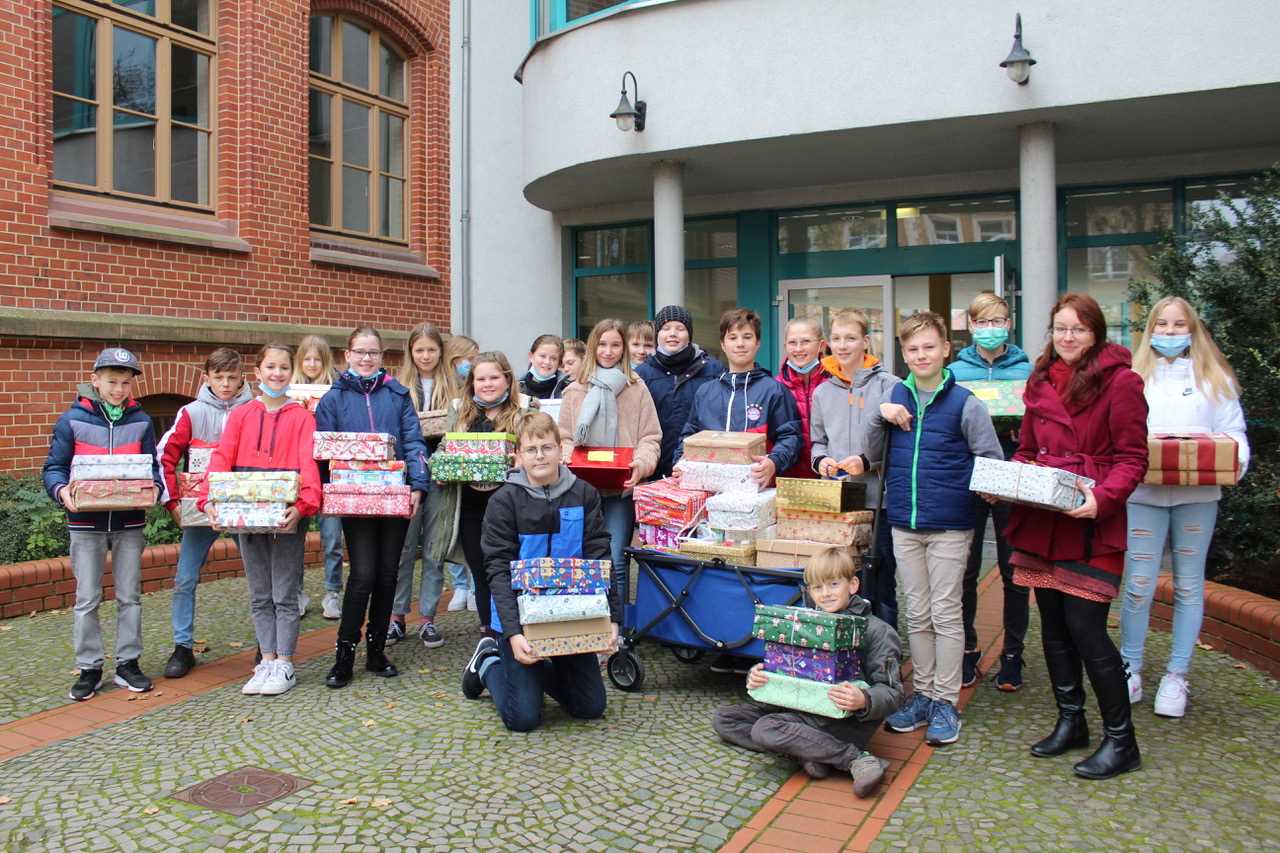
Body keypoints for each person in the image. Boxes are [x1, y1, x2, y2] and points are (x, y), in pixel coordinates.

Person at [1002, 293, 1148, 780]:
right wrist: (1010, 480)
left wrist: (1102, 499)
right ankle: (1072, 722)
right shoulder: (1040, 378)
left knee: (1088, 630)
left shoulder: (1123, 382)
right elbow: (1026, 449)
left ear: (1096, 333)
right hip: (1044, 518)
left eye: (1078, 330)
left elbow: (1133, 458)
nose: (1067, 338)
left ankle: (1121, 740)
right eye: (1060, 328)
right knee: (1055, 629)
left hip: (1091, 522)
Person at [872, 311, 1002, 747]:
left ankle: (945, 700)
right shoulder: (896, 396)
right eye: (912, 349)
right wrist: (881, 414)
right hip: (904, 523)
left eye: (929, 346)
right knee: (917, 612)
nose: (921, 355)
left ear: (946, 348)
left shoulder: (966, 403)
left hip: (949, 524)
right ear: (903, 354)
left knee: (946, 614)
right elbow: (875, 454)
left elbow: (990, 461)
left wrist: (977, 492)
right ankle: (923, 694)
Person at [1119, 296, 1249, 719]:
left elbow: (1235, 435)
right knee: (1138, 583)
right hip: (1143, 496)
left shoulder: (1215, 378)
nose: (1170, 333)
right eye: (1162, 324)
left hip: (1198, 498)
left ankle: (1177, 674)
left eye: (1178, 325)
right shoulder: (1133, 377)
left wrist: (1230, 461)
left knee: (1190, 585)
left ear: (1193, 329)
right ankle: (1129, 666)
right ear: (1149, 329)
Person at [461, 412, 621, 731]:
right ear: (518, 456)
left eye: (547, 447)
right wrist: (514, 633)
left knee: (590, 707)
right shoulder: (503, 501)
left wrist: (612, 620)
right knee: (522, 719)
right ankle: (489, 662)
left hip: (570, 616)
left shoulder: (584, 494)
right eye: (531, 450)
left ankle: (543, 675)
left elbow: (600, 557)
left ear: (561, 449)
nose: (540, 456)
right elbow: (497, 570)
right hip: (520, 619)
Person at [712, 546, 903, 798]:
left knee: (764, 729)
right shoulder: (804, 624)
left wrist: (864, 699)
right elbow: (785, 666)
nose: (825, 594)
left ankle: (856, 759)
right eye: (817, 587)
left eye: (834, 584)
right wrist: (759, 676)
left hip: (842, 720)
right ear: (810, 592)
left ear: (853, 584)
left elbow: (893, 693)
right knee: (725, 719)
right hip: (799, 710)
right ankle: (811, 753)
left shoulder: (877, 631)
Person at [198, 343, 322, 696]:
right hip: (246, 516)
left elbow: (307, 466)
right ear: (258, 372)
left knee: (284, 592)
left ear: (291, 373)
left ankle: (285, 662)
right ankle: (265, 659)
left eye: (284, 368)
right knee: (259, 593)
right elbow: (222, 458)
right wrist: (210, 498)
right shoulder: (241, 415)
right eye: (271, 367)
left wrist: (303, 506)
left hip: (285, 514)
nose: (277, 374)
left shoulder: (301, 417)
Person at [43, 347, 162, 702]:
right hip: (85, 522)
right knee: (87, 598)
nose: (118, 389)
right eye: (111, 382)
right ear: (94, 381)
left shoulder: (141, 421)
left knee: (130, 597)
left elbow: (152, 466)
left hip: (129, 521)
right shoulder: (71, 420)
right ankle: (89, 668)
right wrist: (62, 492)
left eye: (125, 383)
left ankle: (128, 663)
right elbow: (54, 467)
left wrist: (154, 488)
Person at [315, 327, 430, 689]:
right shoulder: (333, 400)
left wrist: (418, 486)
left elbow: (414, 442)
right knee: (363, 574)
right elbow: (324, 451)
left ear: (383, 357)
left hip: (394, 495)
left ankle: (377, 651)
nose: (367, 359)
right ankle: (344, 655)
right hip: (355, 499)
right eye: (360, 352)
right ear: (347, 355)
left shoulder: (397, 395)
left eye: (374, 353)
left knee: (387, 575)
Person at [947, 292, 1034, 691]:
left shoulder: (1026, 369)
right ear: (970, 325)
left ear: (1008, 322)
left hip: (1012, 470)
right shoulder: (955, 371)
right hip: (968, 472)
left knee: (1014, 566)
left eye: (996, 320)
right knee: (964, 567)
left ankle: (1013, 654)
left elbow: (1042, 420)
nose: (989, 328)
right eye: (982, 322)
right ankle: (966, 649)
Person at [156, 347, 253, 678]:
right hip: (200, 508)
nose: (225, 384)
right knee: (185, 577)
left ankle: (266, 645)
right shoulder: (191, 413)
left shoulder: (256, 410)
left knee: (259, 577)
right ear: (206, 378)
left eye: (232, 377)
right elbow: (164, 456)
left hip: (245, 507)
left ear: (243, 377)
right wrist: (172, 504)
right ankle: (182, 647)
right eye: (218, 377)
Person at [428, 351, 536, 637]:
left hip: (510, 506)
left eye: (494, 377)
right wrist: (439, 467)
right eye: (481, 379)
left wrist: (522, 461)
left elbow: (536, 450)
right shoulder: (461, 412)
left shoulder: (524, 410)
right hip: (470, 505)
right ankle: (490, 632)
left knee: (511, 567)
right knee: (481, 568)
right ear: (472, 383)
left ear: (507, 379)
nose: (488, 384)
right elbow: (444, 448)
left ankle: (517, 629)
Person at [809, 309, 901, 631]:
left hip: (880, 501)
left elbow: (899, 445)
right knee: (840, 576)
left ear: (865, 341)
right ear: (828, 343)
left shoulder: (890, 386)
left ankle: (884, 643)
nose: (843, 345)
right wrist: (822, 462)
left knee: (881, 575)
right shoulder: (822, 392)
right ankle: (843, 640)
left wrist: (867, 462)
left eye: (850, 338)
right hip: (841, 501)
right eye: (836, 338)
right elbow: (817, 443)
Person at [557, 319, 661, 602]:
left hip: (620, 490)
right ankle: (588, 624)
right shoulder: (575, 390)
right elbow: (564, 437)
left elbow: (650, 438)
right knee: (583, 560)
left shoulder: (637, 388)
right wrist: (566, 451)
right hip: (580, 490)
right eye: (602, 344)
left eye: (615, 345)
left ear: (623, 349)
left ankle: (619, 630)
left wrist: (641, 464)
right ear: (593, 347)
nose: (608, 351)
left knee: (615, 560)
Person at [674, 307, 803, 488]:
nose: (740, 344)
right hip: (706, 489)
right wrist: (680, 461)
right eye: (733, 337)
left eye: (747, 337)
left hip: (755, 490)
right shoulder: (705, 392)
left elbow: (791, 436)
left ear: (758, 343)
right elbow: (689, 435)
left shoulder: (774, 391)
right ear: (723, 344)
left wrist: (773, 462)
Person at [388, 323, 453, 649]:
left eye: (431, 349)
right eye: (419, 350)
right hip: (407, 479)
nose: (426, 356)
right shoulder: (398, 388)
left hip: (442, 478)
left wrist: (440, 460)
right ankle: (396, 616)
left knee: (433, 550)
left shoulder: (454, 387)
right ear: (410, 353)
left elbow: (458, 432)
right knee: (402, 549)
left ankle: (427, 617)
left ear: (440, 352)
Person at [634, 305, 724, 480]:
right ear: (657, 335)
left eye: (680, 328)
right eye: (666, 328)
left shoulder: (714, 370)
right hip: (653, 470)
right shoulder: (641, 375)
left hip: (702, 469)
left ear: (689, 334)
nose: (672, 333)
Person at [292, 334, 344, 620]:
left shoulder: (337, 391)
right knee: (294, 539)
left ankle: (332, 592)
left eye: (317, 359)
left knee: (332, 537)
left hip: (329, 473)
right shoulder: (288, 392)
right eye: (307, 359)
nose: (312, 364)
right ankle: (296, 592)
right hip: (299, 473)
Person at [439, 333, 480, 612]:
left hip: (473, 468)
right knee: (454, 529)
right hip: (449, 468)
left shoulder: (476, 389)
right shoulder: (446, 390)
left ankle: (476, 586)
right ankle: (460, 585)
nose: (473, 364)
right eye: (471, 359)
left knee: (474, 534)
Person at [775, 316, 829, 480]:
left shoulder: (836, 383)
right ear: (785, 346)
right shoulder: (775, 387)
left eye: (805, 341)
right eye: (792, 342)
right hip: (789, 479)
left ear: (821, 345)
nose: (798, 348)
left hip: (830, 477)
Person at [520, 334, 572, 400]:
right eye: (542, 356)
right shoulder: (516, 388)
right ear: (531, 357)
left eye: (553, 358)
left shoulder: (568, 389)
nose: (547, 362)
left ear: (559, 363)